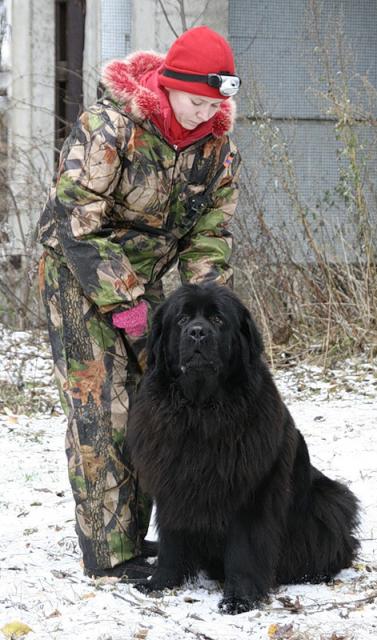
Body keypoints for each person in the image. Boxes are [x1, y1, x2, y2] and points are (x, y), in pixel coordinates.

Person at [38, 25, 241, 579]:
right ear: (169, 85)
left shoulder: (215, 147)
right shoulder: (111, 127)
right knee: (104, 407)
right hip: (78, 276)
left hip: (145, 280)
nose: (204, 114)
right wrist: (134, 316)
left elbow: (211, 235)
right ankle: (109, 555)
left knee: (153, 404)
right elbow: (76, 223)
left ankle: (138, 534)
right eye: (196, 102)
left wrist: (208, 307)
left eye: (214, 104)